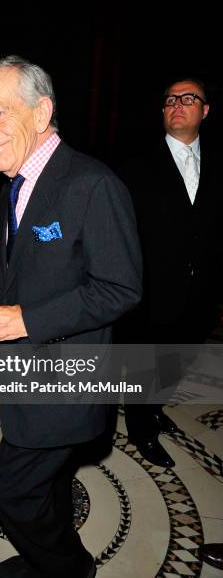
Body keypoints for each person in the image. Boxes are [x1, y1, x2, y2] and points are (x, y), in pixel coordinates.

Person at [0, 55, 142, 578]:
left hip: (67, 379)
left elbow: (121, 288)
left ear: (41, 113)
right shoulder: (13, 185)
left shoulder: (92, 185)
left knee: (12, 493)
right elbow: (5, 269)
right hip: (25, 372)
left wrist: (22, 320)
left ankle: (66, 569)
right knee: (50, 483)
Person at [115, 78, 223, 468]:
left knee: (179, 358)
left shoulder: (218, 162)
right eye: (170, 100)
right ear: (163, 111)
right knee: (147, 362)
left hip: (202, 292)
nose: (178, 104)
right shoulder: (135, 166)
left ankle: (155, 407)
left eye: (189, 98)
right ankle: (142, 428)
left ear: (204, 111)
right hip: (151, 291)